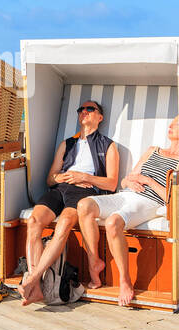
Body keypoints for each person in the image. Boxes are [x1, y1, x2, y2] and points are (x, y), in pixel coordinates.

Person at [18, 99, 119, 305]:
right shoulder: (67, 143)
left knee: (64, 223)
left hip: (84, 191)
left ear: (100, 117)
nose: (84, 112)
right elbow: (49, 178)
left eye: (90, 109)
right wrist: (58, 178)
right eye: (81, 109)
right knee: (34, 221)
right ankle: (36, 287)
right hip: (60, 189)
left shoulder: (108, 146)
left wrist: (85, 177)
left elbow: (111, 183)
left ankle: (33, 279)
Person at [77, 117, 179, 307]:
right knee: (84, 205)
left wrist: (148, 181)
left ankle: (125, 281)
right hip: (126, 194)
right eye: (171, 122)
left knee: (112, 223)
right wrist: (130, 182)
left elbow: (170, 197)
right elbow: (126, 179)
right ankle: (95, 263)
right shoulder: (153, 151)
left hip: (149, 200)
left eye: (177, 123)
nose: (171, 125)